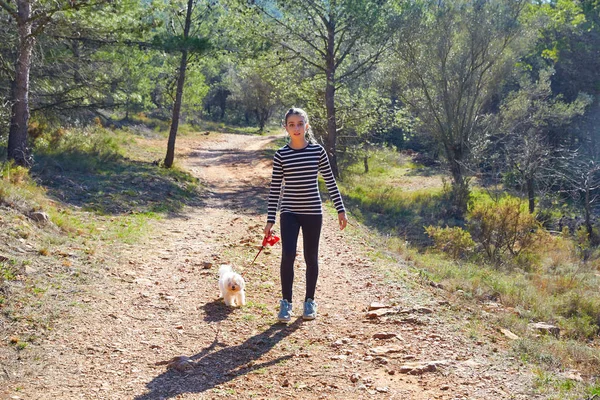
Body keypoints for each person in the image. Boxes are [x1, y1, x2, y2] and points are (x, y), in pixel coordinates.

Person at [264, 107, 348, 323]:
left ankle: (309, 301)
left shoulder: (317, 152)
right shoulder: (281, 155)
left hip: (313, 212)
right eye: (291, 124)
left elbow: (330, 181)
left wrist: (341, 209)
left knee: (311, 257)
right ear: (286, 128)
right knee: (288, 255)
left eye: (300, 124)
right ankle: (286, 303)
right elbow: (275, 189)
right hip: (290, 212)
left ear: (306, 126)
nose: (296, 128)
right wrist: (270, 220)